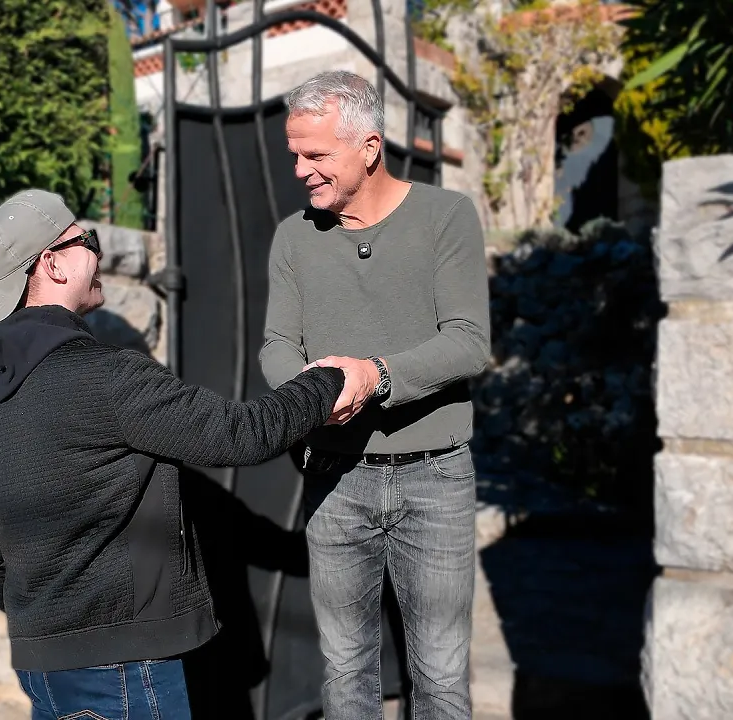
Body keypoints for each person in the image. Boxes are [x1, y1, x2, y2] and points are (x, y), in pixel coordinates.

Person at [0, 189, 353, 719]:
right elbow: (241, 435)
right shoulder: (106, 377)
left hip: (41, 664)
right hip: (122, 667)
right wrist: (331, 379)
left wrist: (44, 619)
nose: (96, 256)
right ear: (51, 264)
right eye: (86, 241)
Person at [259, 70, 491, 719]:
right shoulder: (293, 238)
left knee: (441, 675)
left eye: (316, 155)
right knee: (345, 672)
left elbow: (470, 340)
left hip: (436, 478)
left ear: (369, 146)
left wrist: (375, 376)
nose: (302, 170)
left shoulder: (446, 217)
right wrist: (312, 391)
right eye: (296, 155)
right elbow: (276, 345)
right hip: (333, 476)